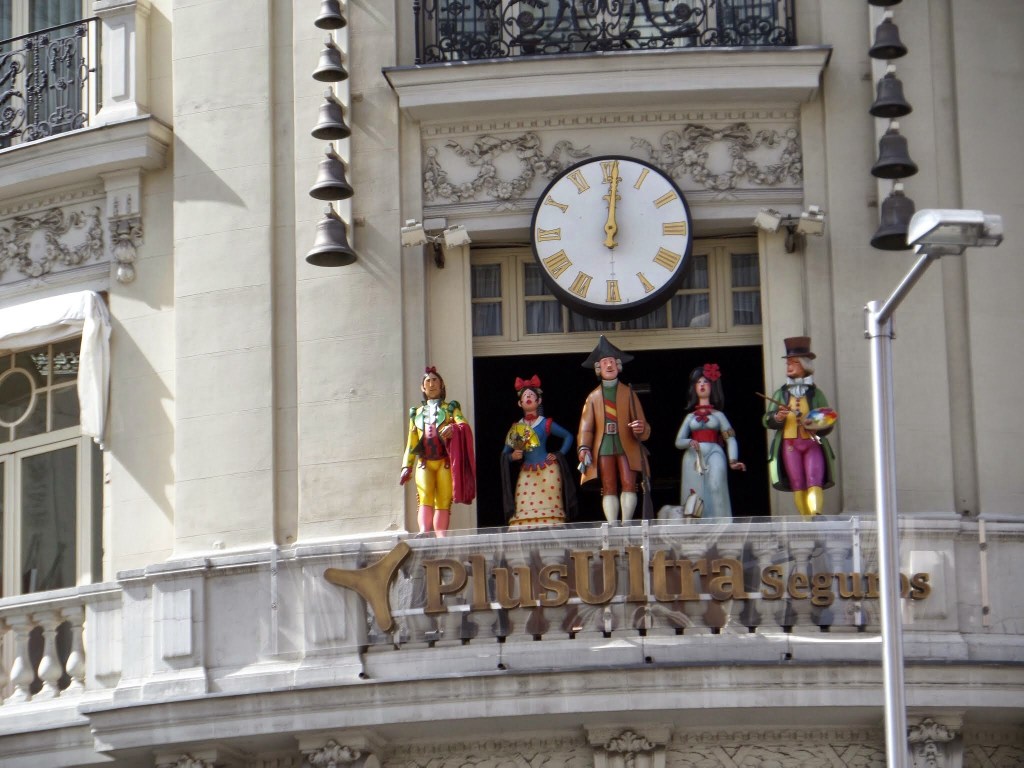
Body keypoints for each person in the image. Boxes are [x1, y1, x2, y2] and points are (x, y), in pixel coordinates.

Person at [577, 336, 651, 524]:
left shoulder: (629, 393)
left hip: (627, 444)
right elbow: (586, 427)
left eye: (611, 362)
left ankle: (626, 522)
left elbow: (643, 423)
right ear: (598, 368)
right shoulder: (593, 397)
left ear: (618, 366)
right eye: (604, 362)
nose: (608, 365)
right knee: (608, 485)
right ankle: (611, 524)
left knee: (629, 483)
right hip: (604, 445)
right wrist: (584, 447)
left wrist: (640, 428)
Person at [762, 337, 836, 517]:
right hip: (789, 444)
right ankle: (806, 520)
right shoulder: (781, 393)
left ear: (805, 365)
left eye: (794, 363)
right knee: (798, 482)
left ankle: (815, 512)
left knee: (814, 479)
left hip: (811, 443)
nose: (789, 367)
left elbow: (827, 418)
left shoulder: (816, 393)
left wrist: (816, 425)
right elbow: (767, 419)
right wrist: (777, 417)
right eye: (788, 363)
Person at [399, 367, 475, 536]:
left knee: (443, 498)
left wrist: (454, 428)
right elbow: (411, 443)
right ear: (422, 387)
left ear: (441, 385)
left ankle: (441, 535)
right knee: (424, 494)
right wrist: (406, 466)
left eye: (435, 381)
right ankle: (425, 531)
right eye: (428, 381)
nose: (431, 384)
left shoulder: (451, 409)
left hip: (444, 462)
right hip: (424, 462)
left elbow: (464, 426)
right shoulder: (416, 413)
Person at [500, 375, 576, 528]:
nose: (528, 397)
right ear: (519, 403)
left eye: (532, 395)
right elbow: (504, 453)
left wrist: (558, 454)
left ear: (539, 401)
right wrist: (512, 457)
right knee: (524, 508)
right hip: (527, 472)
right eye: (525, 396)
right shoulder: (516, 427)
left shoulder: (545, 423)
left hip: (548, 470)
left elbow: (568, 436)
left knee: (550, 513)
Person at [674, 363, 746, 519]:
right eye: (698, 382)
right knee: (694, 490)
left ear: (712, 386)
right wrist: (688, 442)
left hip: (714, 452)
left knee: (716, 485)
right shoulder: (690, 417)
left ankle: (720, 522)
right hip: (693, 455)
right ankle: (695, 525)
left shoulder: (718, 415)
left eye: (705, 382)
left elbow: (730, 438)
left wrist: (733, 460)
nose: (701, 385)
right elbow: (678, 441)